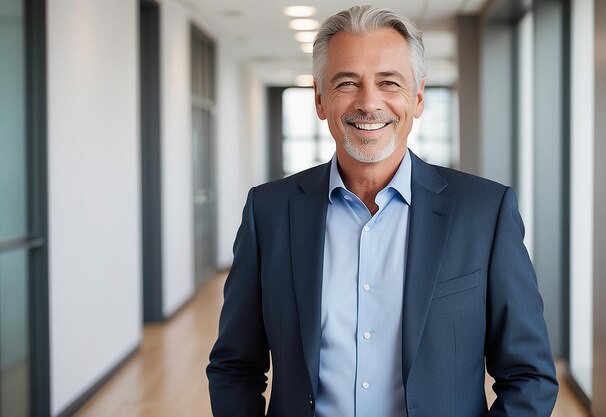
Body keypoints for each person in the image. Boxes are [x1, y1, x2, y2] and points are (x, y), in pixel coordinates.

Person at [206, 5, 558, 417]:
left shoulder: (485, 212)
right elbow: (234, 367)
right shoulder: (268, 212)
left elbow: (529, 376)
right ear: (320, 100)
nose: (369, 102)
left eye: (389, 82)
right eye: (347, 83)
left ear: (418, 97)